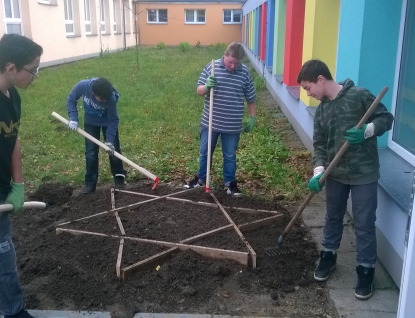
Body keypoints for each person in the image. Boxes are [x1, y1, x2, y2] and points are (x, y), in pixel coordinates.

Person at [297, 59, 393, 300]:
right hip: (335, 174)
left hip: (364, 172)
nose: (308, 94)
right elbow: (319, 145)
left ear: (321, 79)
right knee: (332, 218)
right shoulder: (322, 110)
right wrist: (318, 172)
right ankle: (328, 256)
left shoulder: (359, 96)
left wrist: (368, 131)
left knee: (364, 223)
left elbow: (386, 119)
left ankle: (366, 269)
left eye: (308, 88)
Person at [0, 34, 43, 318]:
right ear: (11, 67)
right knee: (4, 251)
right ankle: (13, 311)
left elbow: (13, 139)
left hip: (3, 187)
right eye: (33, 69)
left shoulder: (11, 96)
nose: (36, 76)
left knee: (4, 249)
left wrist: (18, 184)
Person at [185, 42, 257, 196]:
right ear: (224, 55)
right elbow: (199, 90)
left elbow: (251, 97)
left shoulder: (244, 72)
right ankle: (200, 179)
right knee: (205, 152)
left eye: (236, 63)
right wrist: (207, 87)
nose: (232, 66)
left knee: (230, 155)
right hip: (210, 122)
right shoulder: (212, 68)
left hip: (232, 125)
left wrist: (252, 117)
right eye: (230, 62)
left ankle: (230, 184)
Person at [66, 77, 127, 194]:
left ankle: (119, 179)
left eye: (106, 99)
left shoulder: (110, 98)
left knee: (114, 150)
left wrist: (109, 140)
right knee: (91, 153)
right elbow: (71, 99)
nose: (104, 101)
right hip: (90, 122)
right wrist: (73, 118)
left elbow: (113, 120)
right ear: (93, 93)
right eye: (101, 99)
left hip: (107, 123)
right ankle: (90, 183)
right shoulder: (82, 86)